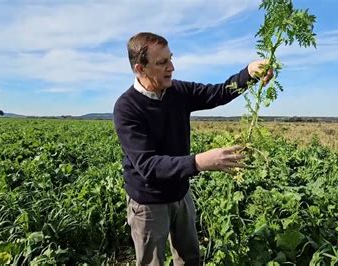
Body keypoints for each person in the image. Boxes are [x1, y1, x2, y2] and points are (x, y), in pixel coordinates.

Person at [113, 32, 273, 266]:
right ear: (140, 68)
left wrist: (248, 73)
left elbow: (219, 93)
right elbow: (148, 165)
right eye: (162, 63)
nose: (172, 67)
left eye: (171, 58)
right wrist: (199, 162)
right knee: (152, 262)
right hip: (148, 201)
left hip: (180, 193)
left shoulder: (179, 92)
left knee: (190, 258)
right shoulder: (127, 108)